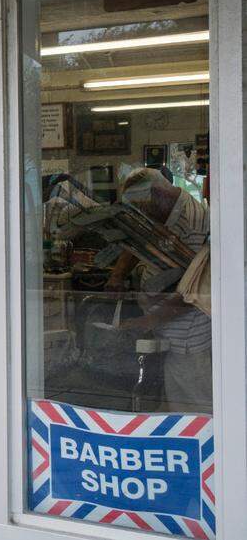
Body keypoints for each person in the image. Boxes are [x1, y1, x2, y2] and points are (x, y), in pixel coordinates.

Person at [110, 168, 211, 413]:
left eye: (142, 207)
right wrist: (118, 274)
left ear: (158, 194)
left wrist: (148, 320)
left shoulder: (195, 223)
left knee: (190, 411)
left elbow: (193, 291)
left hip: (187, 339)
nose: (142, 213)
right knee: (166, 406)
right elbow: (141, 237)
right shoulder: (161, 213)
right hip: (164, 331)